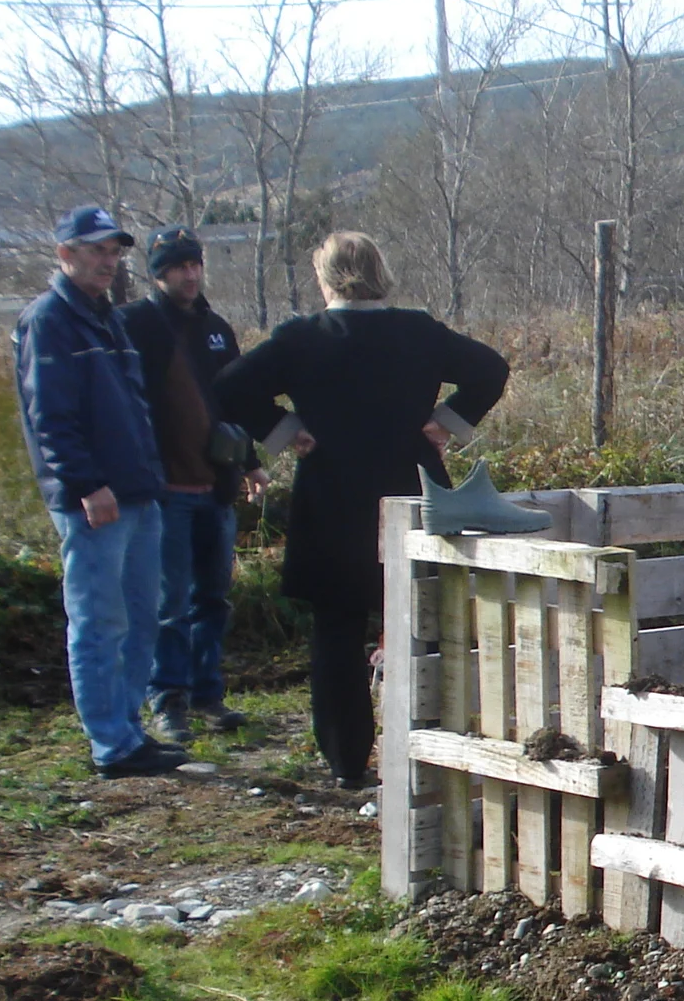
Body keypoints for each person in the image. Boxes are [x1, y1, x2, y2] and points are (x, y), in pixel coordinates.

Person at [214, 232, 509, 789]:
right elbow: (490, 369)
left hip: (332, 496)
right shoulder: (417, 332)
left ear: (324, 277)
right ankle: (428, 751)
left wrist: (285, 429)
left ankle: (347, 763)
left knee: (336, 633)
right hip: (411, 489)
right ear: (381, 272)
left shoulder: (301, 338)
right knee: (425, 625)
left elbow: (229, 386)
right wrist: (445, 422)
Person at [12, 205, 186, 778]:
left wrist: (150, 478)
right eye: (96, 251)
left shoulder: (107, 318)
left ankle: (129, 731)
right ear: (64, 254)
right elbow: (50, 417)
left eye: (114, 252)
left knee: (140, 617)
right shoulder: (50, 320)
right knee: (99, 621)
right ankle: (110, 743)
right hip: (95, 499)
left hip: (138, 491)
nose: (108, 262)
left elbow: (132, 408)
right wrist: (87, 485)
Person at [122, 227, 260, 746]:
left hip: (216, 488)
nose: (190, 274)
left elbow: (235, 402)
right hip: (165, 490)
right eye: (179, 266)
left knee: (213, 600)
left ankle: (207, 694)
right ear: (158, 273)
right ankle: (168, 700)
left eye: (195, 264)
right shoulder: (134, 324)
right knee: (169, 605)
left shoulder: (216, 329)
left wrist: (250, 463)